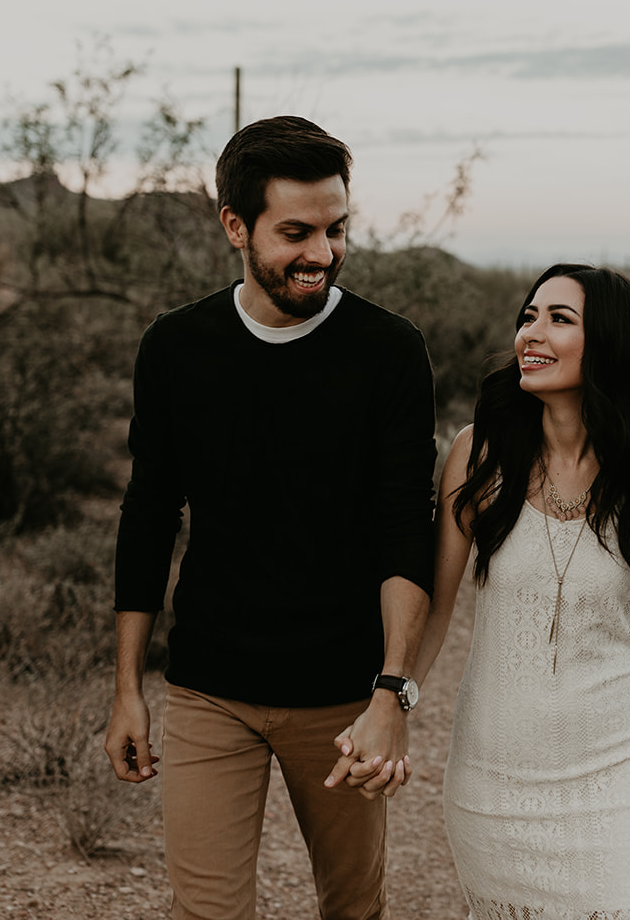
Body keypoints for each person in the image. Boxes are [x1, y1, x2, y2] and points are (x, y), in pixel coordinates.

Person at [101, 116, 437, 920]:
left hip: (343, 699)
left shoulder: (389, 350)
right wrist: (126, 688)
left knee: (354, 907)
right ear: (234, 227)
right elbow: (149, 513)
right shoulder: (177, 347)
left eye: (336, 229)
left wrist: (391, 694)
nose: (321, 253)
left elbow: (404, 531)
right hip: (211, 686)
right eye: (296, 232)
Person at [413, 263, 630, 919]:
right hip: (494, 774)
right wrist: (393, 701)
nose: (532, 331)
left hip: (623, 761)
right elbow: (434, 608)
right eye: (528, 315)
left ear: (606, 342)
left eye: (559, 318)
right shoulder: (479, 454)